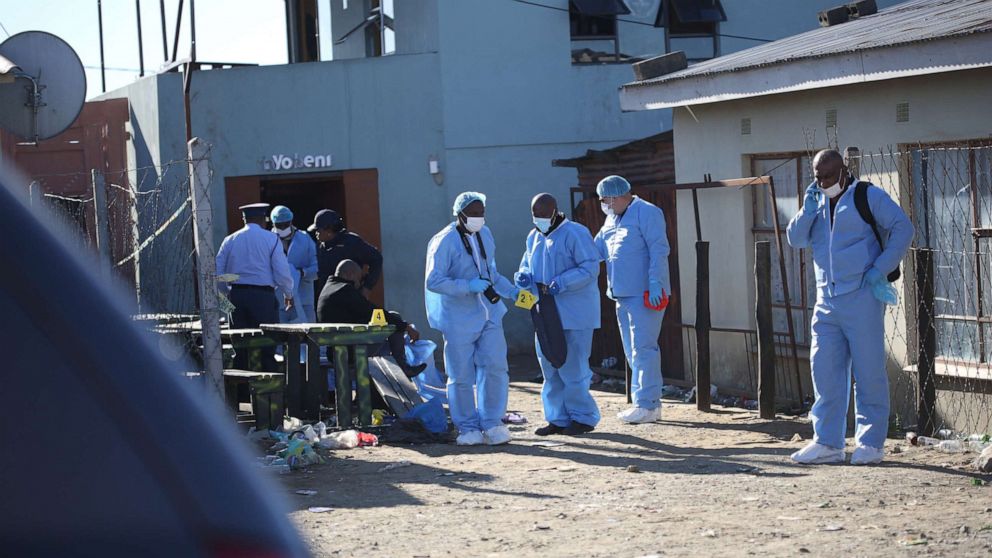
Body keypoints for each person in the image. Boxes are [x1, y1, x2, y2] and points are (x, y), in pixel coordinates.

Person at [786, 149, 913, 465]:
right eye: (817, 176)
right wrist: (807, 208)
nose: (823, 181)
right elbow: (795, 238)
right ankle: (827, 442)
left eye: (828, 175)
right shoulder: (815, 201)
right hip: (826, 300)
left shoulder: (866, 196)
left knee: (868, 370)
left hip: (862, 295)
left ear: (843, 172)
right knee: (825, 370)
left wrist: (881, 268)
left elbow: (903, 228)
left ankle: (870, 443)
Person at [425, 192, 518, 446]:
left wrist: (512, 291)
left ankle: (493, 422)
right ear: (460, 214)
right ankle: (466, 426)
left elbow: (491, 273)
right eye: (474, 213)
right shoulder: (444, 241)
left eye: (482, 212)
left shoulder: (485, 234)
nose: (479, 217)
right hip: (458, 319)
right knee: (461, 374)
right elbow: (433, 280)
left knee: (496, 368)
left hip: (490, 312)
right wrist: (467, 285)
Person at [515, 193, 601, 436]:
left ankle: (583, 417)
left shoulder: (575, 233)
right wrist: (522, 277)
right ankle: (557, 418)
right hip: (545, 310)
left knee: (573, 368)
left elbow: (590, 267)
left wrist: (563, 282)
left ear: (555, 211)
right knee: (550, 366)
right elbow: (526, 265)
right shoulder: (534, 237)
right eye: (536, 215)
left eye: (544, 215)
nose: (540, 219)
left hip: (574, 311)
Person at [593, 175, 671, 424]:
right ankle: (644, 401)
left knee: (644, 348)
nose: (603, 203)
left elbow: (659, 248)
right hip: (621, 293)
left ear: (616, 197)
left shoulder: (647, 212)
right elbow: (597, 249)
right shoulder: (612, 217)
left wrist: (656, 281)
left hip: (645, 293)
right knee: (632, 350)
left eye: (605, 199)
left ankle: (648, 404)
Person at [215, 203, 296, 371]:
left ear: (244, 219)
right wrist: (288, 293)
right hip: (263, 298)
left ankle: (242, 393)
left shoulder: (229, 240)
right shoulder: (271, 239)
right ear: (263, 220)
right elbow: (281, 271)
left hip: (236, 296)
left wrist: (227, 299)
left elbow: (218, 274)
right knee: (267, 347)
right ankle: (269, 392)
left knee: (241, 348)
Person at [316, 259, 427, 377]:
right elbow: (372, 311)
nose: (359, 284)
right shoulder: (344, 290)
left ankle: (399, 369)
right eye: (358, 279)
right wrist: (406, 326)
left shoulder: (328, 288)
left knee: (391, 334)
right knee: (394, 321)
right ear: (349, 274)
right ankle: (403, 368)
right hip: (347, 350)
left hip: (337, 347)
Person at [309, 209, 383, 300]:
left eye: (318, 230)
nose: (316, 233)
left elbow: (377, 259)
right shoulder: (319, 246)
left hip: (350, 297)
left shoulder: (351, 242)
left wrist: (367, 287)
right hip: (328, 299)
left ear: (329, 230)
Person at [270, 205, 318, 324]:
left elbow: (317, 268)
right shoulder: (268, 240)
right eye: (278, 225)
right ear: (273, 224)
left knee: (308, 337)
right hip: (278, 302)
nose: (282, 228)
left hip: (304, 299)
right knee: (280, 338)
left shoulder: (305, 239)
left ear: (291, 221)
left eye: (285, 224)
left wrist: (302, 273)